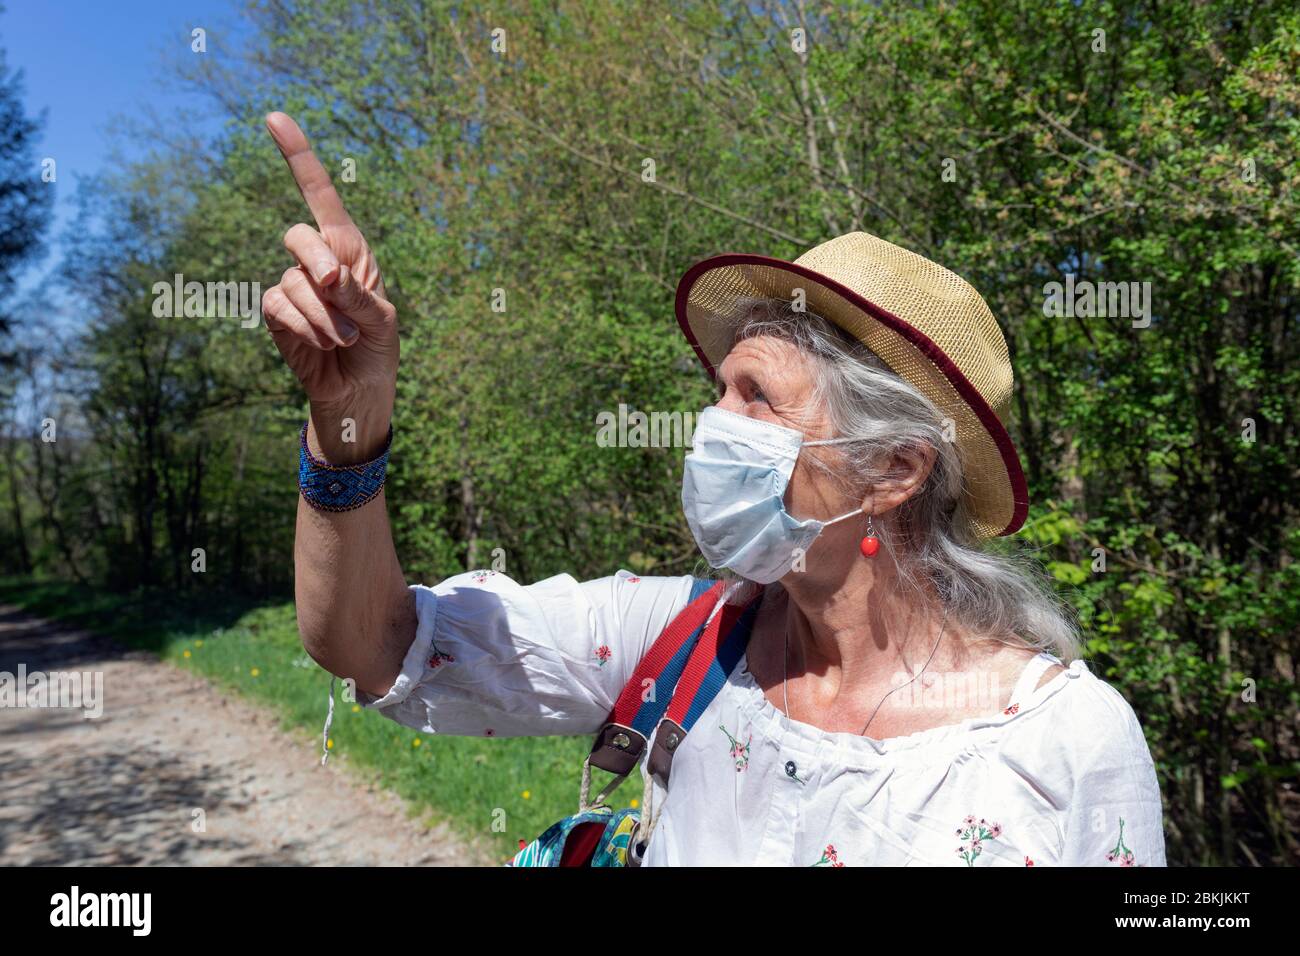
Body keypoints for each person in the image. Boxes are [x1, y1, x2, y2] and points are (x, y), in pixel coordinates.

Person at [261, 112, 1166, 866]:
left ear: (895, 469)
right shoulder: (682, 641)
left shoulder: (1066, 740)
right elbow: (374, 643)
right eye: (718, 393)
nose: (710, 427)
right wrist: (348, 424)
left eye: (755, 398)